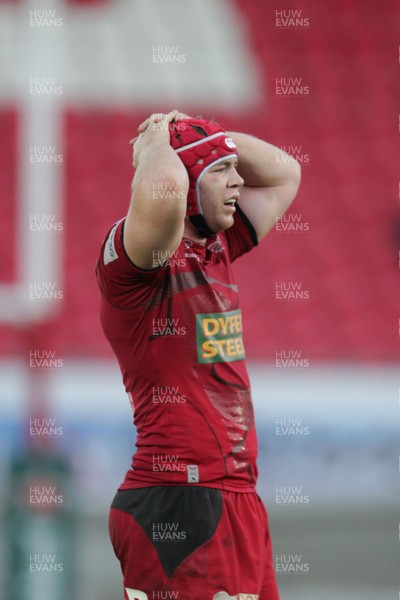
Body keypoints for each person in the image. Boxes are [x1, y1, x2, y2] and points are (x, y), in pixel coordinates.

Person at [95, 109, 301, 600]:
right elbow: (163, 196)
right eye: (220, 172)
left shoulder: (218, 246)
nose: (238, 181)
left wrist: (210, 135)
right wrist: (156, 145)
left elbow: (285, 172)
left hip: (236, 497)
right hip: (179, 500)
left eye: (233, 168)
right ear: (187, 186)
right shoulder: (141, 260)